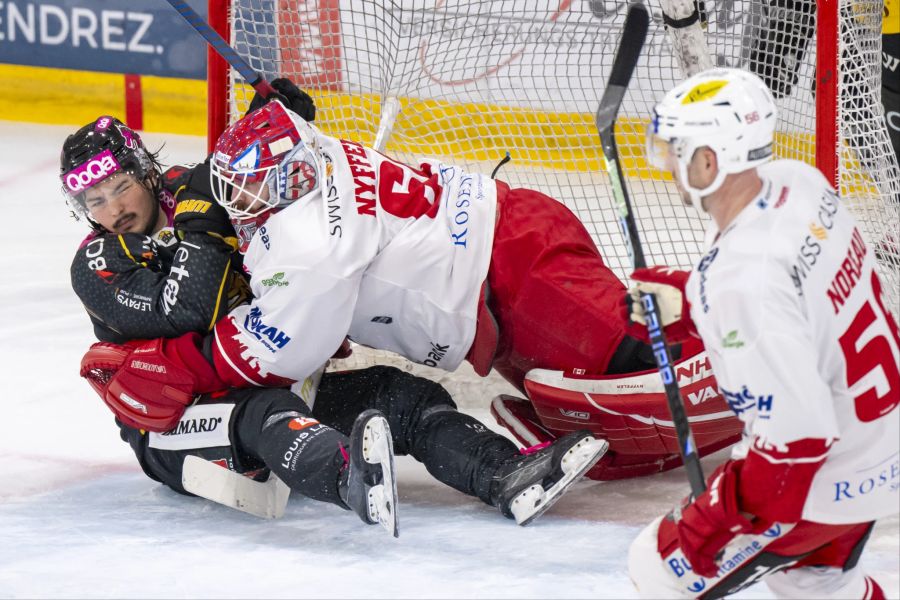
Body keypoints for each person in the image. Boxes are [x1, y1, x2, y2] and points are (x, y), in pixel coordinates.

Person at [80, 89, 745, 483]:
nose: (237, 201)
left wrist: (177, 361)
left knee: (630, 349)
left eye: (248, 191)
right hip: (501, 272)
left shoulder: (308, 247)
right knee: (609, 351)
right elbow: (273, 146)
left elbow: (272, 352)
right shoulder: (309, 151)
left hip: (510, 273)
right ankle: (730, 306)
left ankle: (761, 312)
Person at [65, 81, 607, 529]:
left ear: (144, 171)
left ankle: (505, 476)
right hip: (173, 421)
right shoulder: (96, 262)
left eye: (118, 187)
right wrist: (206, 215)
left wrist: (270, 129)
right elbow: (190, 305)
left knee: (404, 397)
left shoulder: (194, 189)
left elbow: (259, 204)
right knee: (267, 414)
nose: (112, 209)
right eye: (94, 200)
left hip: (247, 372)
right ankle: (349, 477)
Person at [624, 67, 898, 598]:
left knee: (658, 568)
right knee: (815, 585)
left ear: (709, 161)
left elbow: (797, 439)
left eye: (676, 149)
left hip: (833, 475)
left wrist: (712, 521)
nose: (668, 164)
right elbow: (796, 301)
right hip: (885, 431)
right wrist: (690, 302)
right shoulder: (798, 182)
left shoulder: (739, 282)